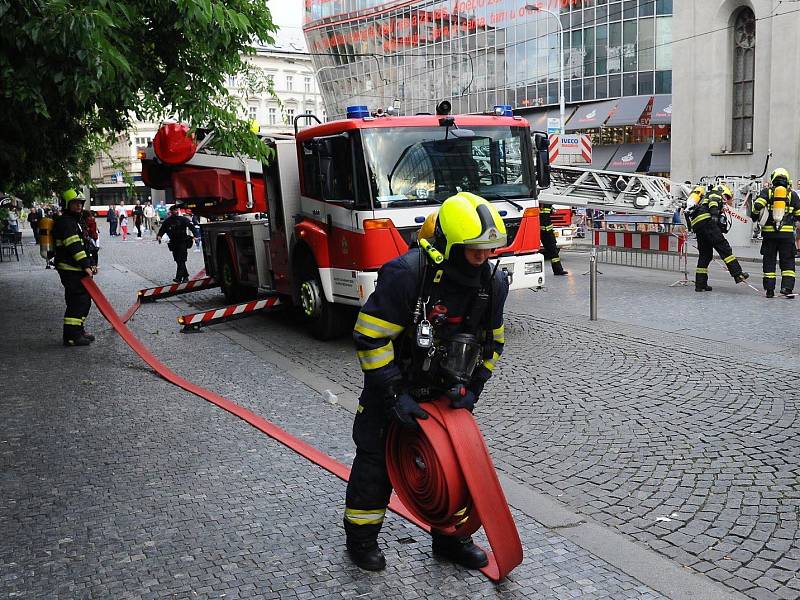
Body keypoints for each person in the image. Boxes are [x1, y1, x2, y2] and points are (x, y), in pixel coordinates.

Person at [344, 192, 510, 572]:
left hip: (445, 392)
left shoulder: (492, 283)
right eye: (474, 251)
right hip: (393, 388)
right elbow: (370, 336)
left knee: (452, 467)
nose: (483, 259)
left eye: (489, 250)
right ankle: (361, 539)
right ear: (449, 246)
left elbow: (494, 342)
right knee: (376, 462)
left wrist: (473, 388)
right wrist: (393, 394)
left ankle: (451, 539)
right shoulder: (407, 275)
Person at [53, 189, 96, 346]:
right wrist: (86, 265)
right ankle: (71, 337)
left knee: (79, 300)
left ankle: (78, 331)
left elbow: (85, 244)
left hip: (75, 267)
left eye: (80, 203)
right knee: (79, 301)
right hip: (70, 268)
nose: (78, 206)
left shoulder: (75, 220)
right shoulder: (66, 222)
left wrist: (91, 263)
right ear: (66, 204)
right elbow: (74, 245)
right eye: (75, 203)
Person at [688, 183, 749, 292]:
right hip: (707, 223)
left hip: (699, 226)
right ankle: (738, 274)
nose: (726, 200)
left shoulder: (703, 201)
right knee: (724, 248)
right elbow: (714, 203)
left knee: (705, 255)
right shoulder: (715, 193)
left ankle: (700, 285)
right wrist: (715, 217)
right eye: (726, 196)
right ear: (723, 191)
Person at [751, 168, 800, 297]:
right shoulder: (792, 195)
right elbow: (799, 214)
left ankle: (769, 290)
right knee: (788, 262)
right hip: (787, 235)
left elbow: (756, 208)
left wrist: (756, 216)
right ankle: (787, 288)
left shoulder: (767, 192)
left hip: (769, 235)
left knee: (769, 261)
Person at [157, 205, 196, 282]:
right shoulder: (167, 221)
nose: (175, 211)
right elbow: (162, 229)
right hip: (174, 243)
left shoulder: (183, 219)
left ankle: (178, 278)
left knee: (181, 260)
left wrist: (196, 235)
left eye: (176, 210)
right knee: (179, 260)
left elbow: (191, 226)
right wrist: (159, 236)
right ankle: (185, 277)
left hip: (182, 242)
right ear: (171, 212)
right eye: (173, 210)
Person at [537, 203, 567, 276]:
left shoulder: (548, 205)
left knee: (553, 251)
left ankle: (558, 270)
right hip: (537, 232)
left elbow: (553, 211)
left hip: (548, 232)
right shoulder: (534, 204)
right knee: (532, 252)